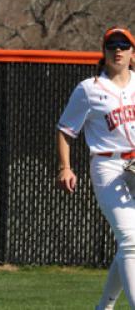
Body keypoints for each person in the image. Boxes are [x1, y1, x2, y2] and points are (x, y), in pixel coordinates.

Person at [57, 26, 135, 310]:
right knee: (130, 239)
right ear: (103, 52)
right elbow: (65, 130)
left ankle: (104, 307)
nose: (118, 50)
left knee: (129, 242)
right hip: (107, 165)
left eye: (124, 45)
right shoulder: (89, 89)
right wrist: (66, 167)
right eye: (112, 45)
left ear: (132, 54)